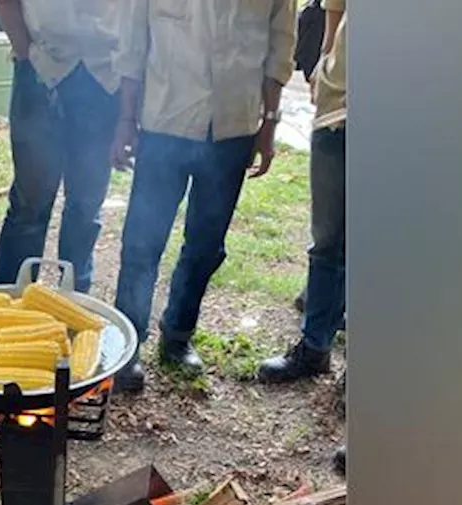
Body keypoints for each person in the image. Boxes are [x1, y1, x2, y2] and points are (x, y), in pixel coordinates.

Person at [109, 0, 298, 392]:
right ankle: (128, 340)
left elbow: (280, 47)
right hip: (165, 118)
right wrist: (125, 120)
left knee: (206, 242)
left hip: (233, 124)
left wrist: (269, 123)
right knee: (143, 240)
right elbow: (132, 42)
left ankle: (178, 334)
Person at [0, 0, 122, 293]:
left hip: (105, 75)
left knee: (86, 205)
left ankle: (74, 302)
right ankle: (7, 301)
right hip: (41, 64)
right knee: (30, 204)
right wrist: (25, 54)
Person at [257, 0, 346, 385]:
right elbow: (336, 6)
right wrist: (326, 63)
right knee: (326, 240)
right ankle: (314, 348)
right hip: (336, 109)